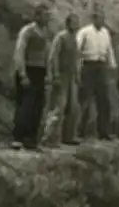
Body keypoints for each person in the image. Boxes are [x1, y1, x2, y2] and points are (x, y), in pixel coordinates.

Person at [11, 4, 52, 150]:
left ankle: (32, 139)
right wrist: (22, 74)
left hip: (40, 71)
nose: (48, 18)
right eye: (45, 15)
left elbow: (47, 54)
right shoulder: (28, 31)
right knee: (25, 106)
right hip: (28, 69)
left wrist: (48, 73)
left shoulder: (46, 32)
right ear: (37, 16)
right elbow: (20, 52)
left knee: (38, 106)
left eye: (49, 15)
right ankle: (18, 138)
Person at [76, 11, 117, 140]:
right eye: (99, 18)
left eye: (103, 19)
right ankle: (80, 131)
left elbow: (109, 50)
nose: (101, 21)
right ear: (93, 19)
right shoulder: (85, 32)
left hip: (101, 65)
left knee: (104, 100)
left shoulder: (105, 32)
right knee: (85, 98)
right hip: (88, 64)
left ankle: (103, 131)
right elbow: (77, 49)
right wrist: (78, 66)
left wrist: (112, 66)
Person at [43, 13, 81, 146]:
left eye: (77, 22)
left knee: (72, 107)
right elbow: (53, 57)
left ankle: (68, 137)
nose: (76, 24)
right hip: (62, 75)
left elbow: (76, 59)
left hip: (71, 75)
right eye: (74, 22)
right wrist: (55, 74)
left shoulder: (74, 39)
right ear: (68, 23)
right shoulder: (61, 37)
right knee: (58, 107)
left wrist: (77, 75)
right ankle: (49, 138)